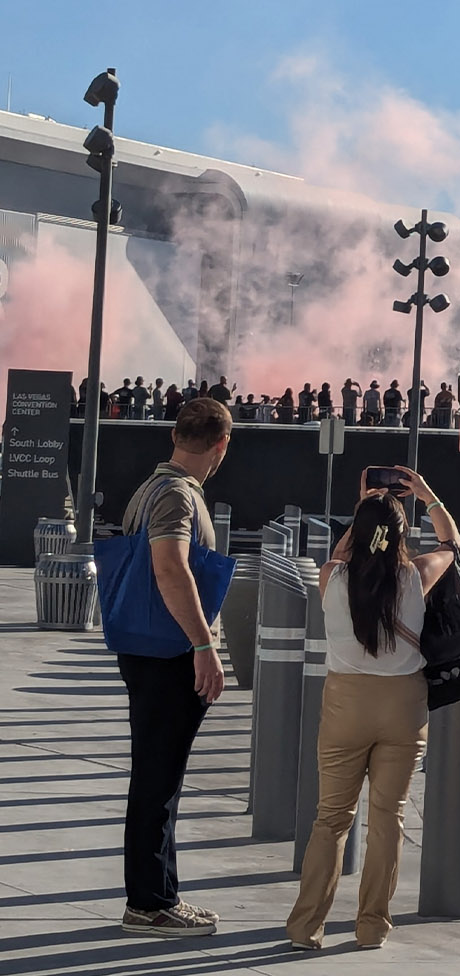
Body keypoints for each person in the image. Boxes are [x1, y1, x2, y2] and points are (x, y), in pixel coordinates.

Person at [286, 467, 459, 950]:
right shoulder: (415, 576)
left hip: (346, 702)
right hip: (403, 705)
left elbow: (345, 553)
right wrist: (424, 493)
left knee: (331, 819)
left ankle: (306, 927)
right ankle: (371, 927)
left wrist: (366, 508)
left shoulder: (332, 577)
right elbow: (452, 544)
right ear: (403, 537)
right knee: (389, 818)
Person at [115, 398, 233, 937]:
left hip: (147, 647)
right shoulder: (179, 496)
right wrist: (204, 645)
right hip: (168, 654)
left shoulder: (150, 486)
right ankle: (150, 903)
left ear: (173, 435)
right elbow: (170, 566)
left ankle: (158, 895)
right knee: (158, 780)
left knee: (157, 777)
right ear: (221, 445)